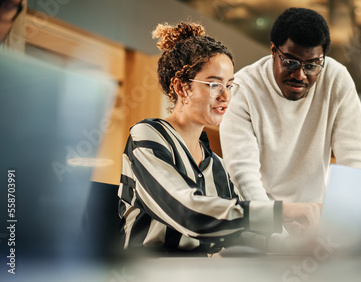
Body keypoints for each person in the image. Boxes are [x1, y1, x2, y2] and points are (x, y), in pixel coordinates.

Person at [117, 21, 320, 255]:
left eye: (230, 85)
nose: (225, 96)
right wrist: (281, 211)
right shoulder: (148, 136)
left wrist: (292, 244)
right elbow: (189, 214)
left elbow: (236, 232)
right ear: (182, 88)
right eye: (214, 84)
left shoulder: (217, 165)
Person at [219, 8, 361, 203]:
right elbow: (243, 176)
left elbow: (357, 161)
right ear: (273, 51)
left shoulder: (336, 79)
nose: (300, 76)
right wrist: (277, 228)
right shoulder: (243, 89)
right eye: (291, 63)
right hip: (263, 213)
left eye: (311, 66)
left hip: (315, 211)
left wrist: (347, 225)